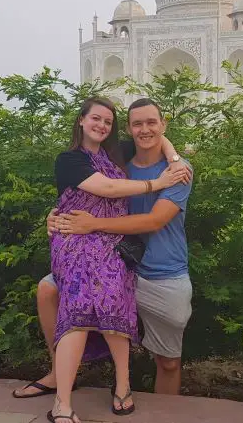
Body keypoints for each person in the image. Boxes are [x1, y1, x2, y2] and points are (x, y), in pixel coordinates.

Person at [37, 97, 189, 423]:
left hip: (150, 268)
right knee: (58, 294)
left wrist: (174, 159)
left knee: (168, 360)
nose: (144, 130)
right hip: (93, 252)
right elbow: (96, 188)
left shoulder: (161, 166)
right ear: (81, 120)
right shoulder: (93, 157)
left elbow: (153, 220)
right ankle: (62, 391)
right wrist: (56, 215)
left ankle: (143, 398)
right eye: (137, 124)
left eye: (108, 121)